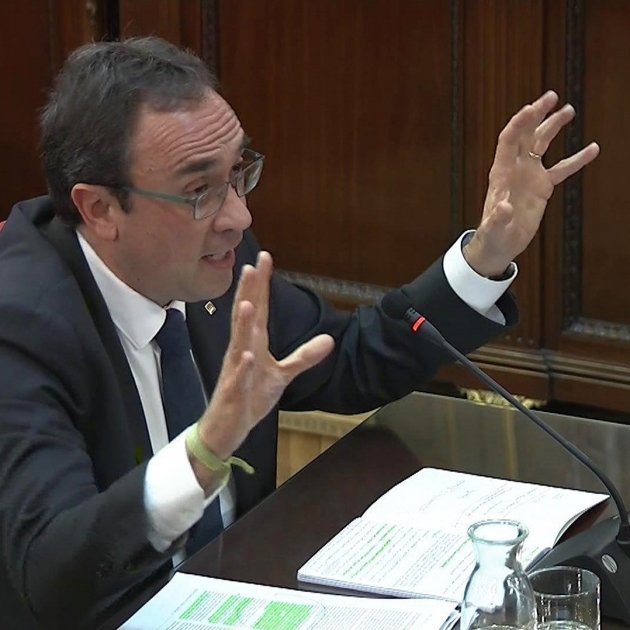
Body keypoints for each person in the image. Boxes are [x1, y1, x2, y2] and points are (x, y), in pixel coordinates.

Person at [0, 36, 598, 629]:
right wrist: (206, 449)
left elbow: (349, 360)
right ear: (100, 209)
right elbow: (53, 575)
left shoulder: (215, 261)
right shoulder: (19, 326)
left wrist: (487, 252)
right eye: (199, 191)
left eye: (238, 173)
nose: (239, 216)